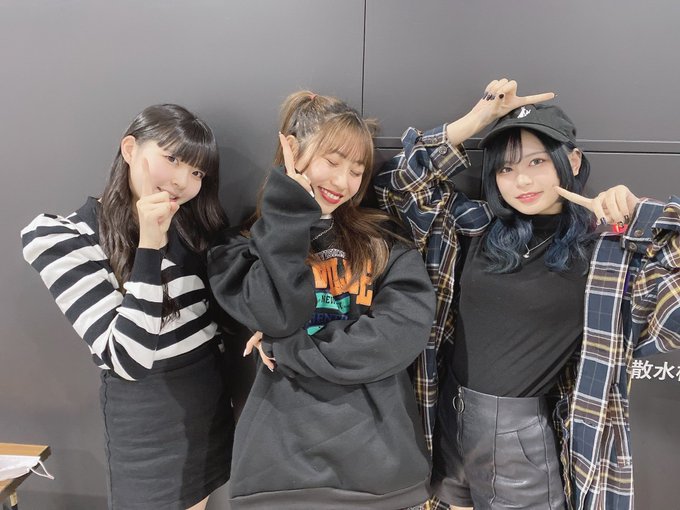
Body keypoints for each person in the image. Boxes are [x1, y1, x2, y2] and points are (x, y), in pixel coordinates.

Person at [374, 79, 680, 510]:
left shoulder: (605, 252)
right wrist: (477, 120)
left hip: (519, 444)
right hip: (447, 418)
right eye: (505, 168)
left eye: (538, 161)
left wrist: (644, 215)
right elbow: (397, 186)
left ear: (572, 160)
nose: (521, 180)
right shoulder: (476, 228)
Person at [207, 91, 436, 509]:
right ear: (292, 151)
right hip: (280, 470)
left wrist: (288, 349)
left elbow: (398, 337)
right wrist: (286, 210)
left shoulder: (384, 243)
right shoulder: (239, 249)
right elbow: (277, 315)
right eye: (332, 162)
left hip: (380, 469)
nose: (343, 182)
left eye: (356, 170)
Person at [21, 104, 234, 510]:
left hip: (208, 403)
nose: (182, 181)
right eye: (172, 158)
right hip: (147, 418)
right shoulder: (64, 236)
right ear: (130, 148)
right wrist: (150, 245)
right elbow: (129, 359)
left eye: (197, 173)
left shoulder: (191, 225)